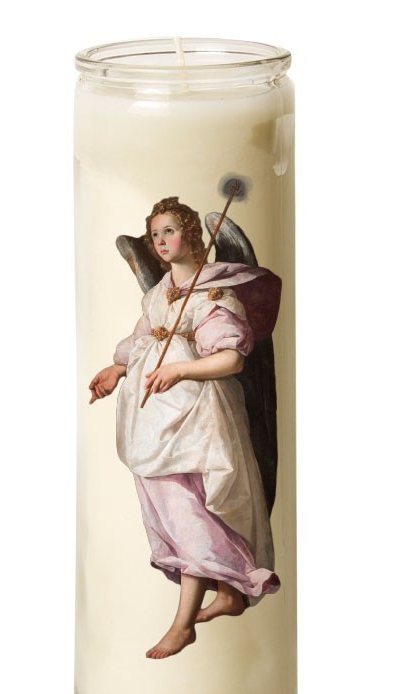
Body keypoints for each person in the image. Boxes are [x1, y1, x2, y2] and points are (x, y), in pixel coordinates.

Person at [89, 197, 280, 659]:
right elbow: (142, 340)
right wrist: (116, 369)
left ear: (191, 235)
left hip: (197, 418)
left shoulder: (214, 294)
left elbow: (231, 359)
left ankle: (183, 624)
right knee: (173, 509)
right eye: (154, 234)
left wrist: (180, 370)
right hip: (152, 422)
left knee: (192, 511)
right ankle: (229, 593)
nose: (160, 242)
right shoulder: (159, 296)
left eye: (169, 231)